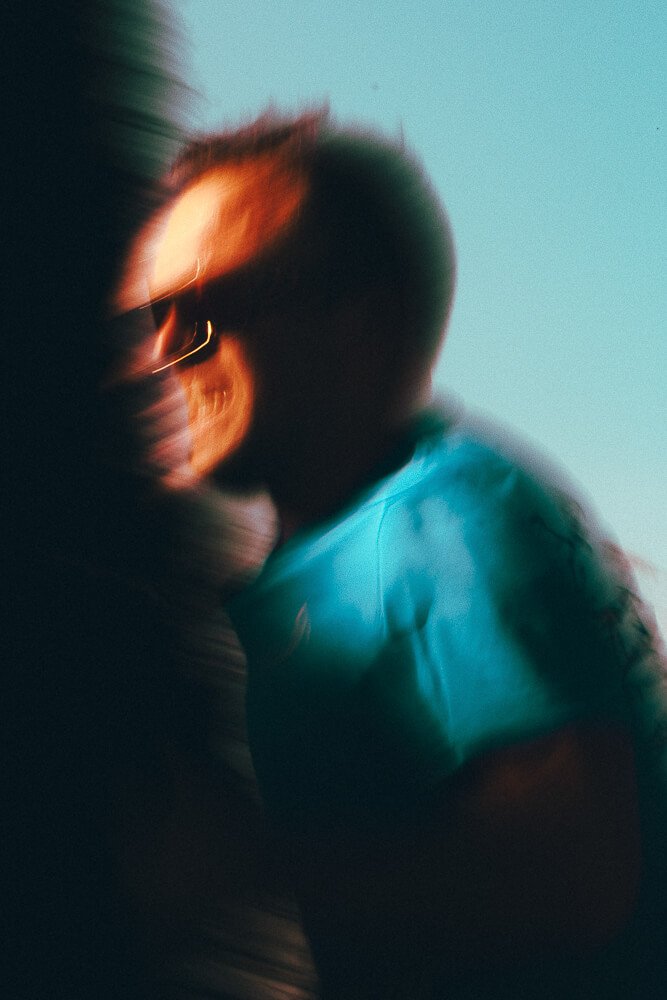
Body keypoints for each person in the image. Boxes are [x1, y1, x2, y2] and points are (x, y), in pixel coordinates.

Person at [117, 110, 667, 998]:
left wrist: (242, 865)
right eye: (157, 313)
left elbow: (576, 879)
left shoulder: (442, 523)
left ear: (362, 327)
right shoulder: (336, 555)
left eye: (212, 309)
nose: (167, 353)